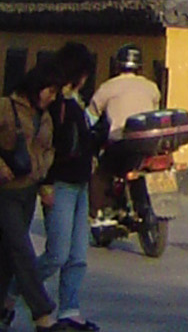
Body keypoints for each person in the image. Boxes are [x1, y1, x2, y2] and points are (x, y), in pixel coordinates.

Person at [0, 57, 63, 332]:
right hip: (4, 191)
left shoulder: (45, 116)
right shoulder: (6, 106)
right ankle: (42, 313)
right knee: (22, 251)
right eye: (49, 91)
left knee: (7, 257)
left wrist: (43, 178)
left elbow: (48, 148)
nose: (52, 97)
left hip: (28, 191)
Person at [40, 44, 99, 332]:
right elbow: (47, 145)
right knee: (57, 255)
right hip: (60, 184)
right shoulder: (55, 103)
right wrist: (45, 184)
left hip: (80, 184)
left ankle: (70, 309)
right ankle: (13, 289)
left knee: (77, 255)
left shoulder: (77, 102)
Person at [91, 44, 161, 145]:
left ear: (117, 66)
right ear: (140, 67)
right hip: (146, 145)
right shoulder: (152, 88)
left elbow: (90, 116)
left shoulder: (108, 86)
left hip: (118, 145)